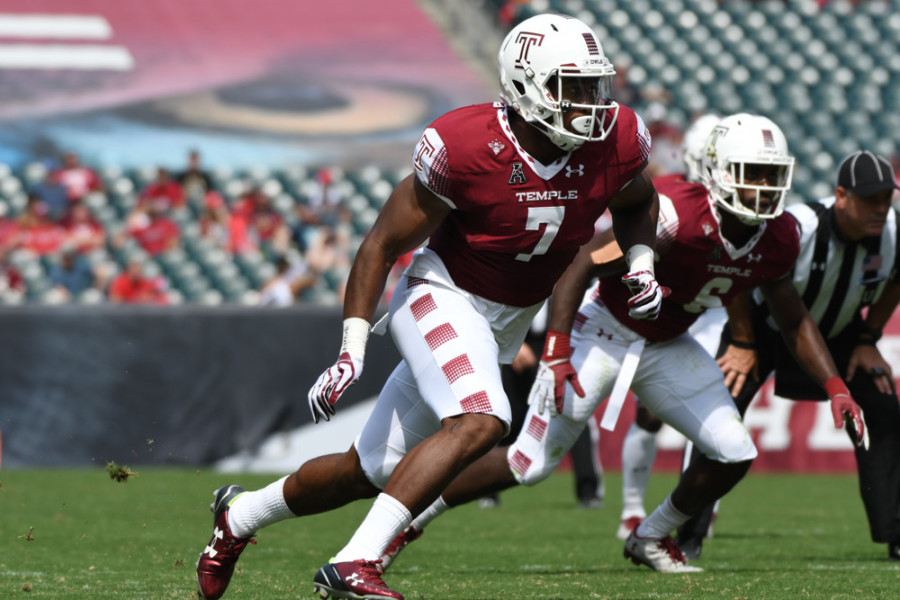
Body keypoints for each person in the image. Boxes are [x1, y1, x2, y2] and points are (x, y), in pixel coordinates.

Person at [195, 13, 662, 600]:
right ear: (522, 86)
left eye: (593, 86)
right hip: (441, 295)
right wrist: (351, 350)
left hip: (505, 320)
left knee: (365, 472)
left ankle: (237, 518)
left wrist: (640, 263)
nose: (588, 105)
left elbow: (640, 201)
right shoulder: (466, 145)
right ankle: (355, 562)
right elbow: (381, 245)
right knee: (483, 419)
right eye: (569, 88)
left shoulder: (615, 140)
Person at [375, 113, 867, 575]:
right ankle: (408, 522)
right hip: (605, 330)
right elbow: (580, 264)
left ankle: (650, 536)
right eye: (750, 173)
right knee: (529, 463)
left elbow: (792, 317)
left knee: (733, 451)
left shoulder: (779, 236)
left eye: (770, 175)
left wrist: (835, 385)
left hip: (669, 343)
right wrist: (558, 347)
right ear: (717, 172)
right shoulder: (674, 216)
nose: (762, 188)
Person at [676, 150, 900, 562]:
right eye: (871, 199)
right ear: (841, 196)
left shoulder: (893, 229)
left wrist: (869, 337)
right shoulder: (797, 226)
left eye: (887, 198)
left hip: (841, 332)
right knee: (718, 411)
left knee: (884, 408)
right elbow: (738, 264)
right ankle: (686, 534)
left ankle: (895, 533)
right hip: (761, 327)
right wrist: (742, 340)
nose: (881, 208)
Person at [617, 113, 725, 540]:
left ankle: (698, 509)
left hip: (714, 313)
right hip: (672, 314)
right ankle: (630, 509)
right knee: (648, 416)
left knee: (716, 416)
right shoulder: (673, 198)